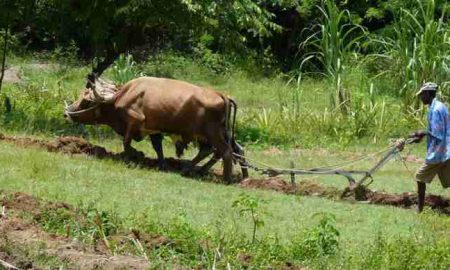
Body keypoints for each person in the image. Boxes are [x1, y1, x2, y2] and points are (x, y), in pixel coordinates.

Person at [409, 82, 450, 213]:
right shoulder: (437, 107)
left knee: (419, 177)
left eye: (422, 95)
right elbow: (436, 132)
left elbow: (437, 134)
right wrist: (420, 136)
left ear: (427, 93)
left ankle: (419, 209)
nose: (421, 98)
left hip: (439, 153)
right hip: (446, 152)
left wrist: (423, 132)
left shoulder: (437, 109)